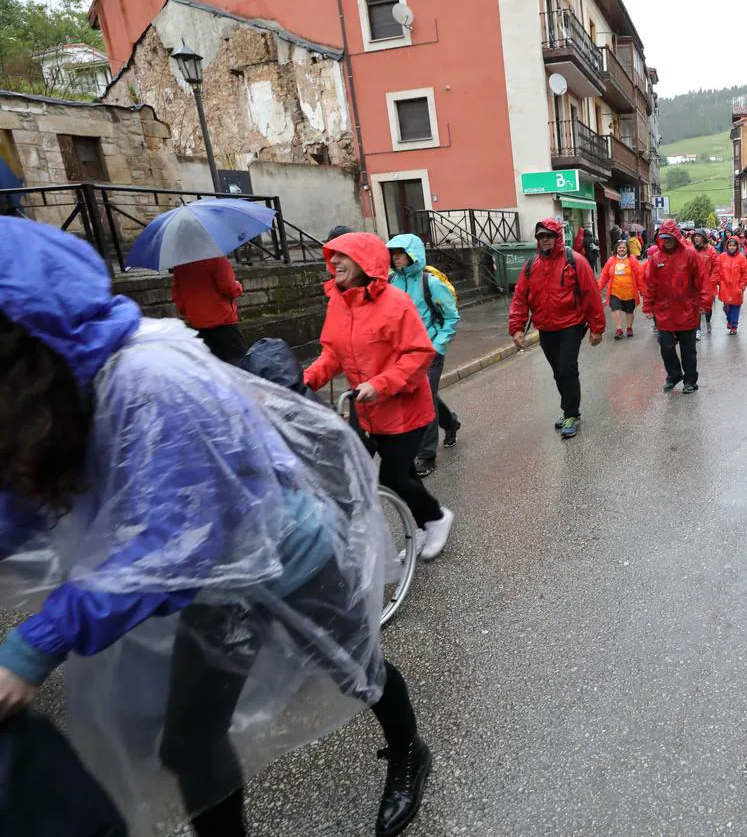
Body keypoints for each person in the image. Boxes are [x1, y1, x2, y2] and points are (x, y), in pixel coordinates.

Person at [0, 219, 430, 837]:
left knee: (356, 668)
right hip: (215, 581)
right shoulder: (63, 387)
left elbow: (167, 541)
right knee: (190, 740)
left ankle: (410, 752)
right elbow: (22, 501)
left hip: (286, 555)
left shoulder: (152, 380)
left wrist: (35, 643)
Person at [305, 232, 456, 561]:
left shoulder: (396, 303)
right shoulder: (338, 302)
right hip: (365, 409)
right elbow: (332, 354)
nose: (335, 262)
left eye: (344, 255)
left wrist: (381, 384)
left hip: (404, 410)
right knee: (386, 473)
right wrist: (304, 380)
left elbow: (419, 354)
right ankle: (418, 524)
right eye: (333, 256)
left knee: (392, 475)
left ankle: (437, 518)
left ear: (365, 262)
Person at [508, 218, 606, 438]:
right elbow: (520, 298)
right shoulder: (531, 266)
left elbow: (591, 294)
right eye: (541, 237)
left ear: (557, 237)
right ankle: (567, 408)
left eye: (549, 236)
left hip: (571, 325)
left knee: (566, 368)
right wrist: (517, 327)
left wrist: (597, 327)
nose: (545, 241)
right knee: (557, 372)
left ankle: (572, 413)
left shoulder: (575, 261)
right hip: (546, 328)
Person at [387, 233, 462, 478]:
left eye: (400, 253)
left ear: (413, 254)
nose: (395, 257)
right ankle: (451, 423)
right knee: (427, 396)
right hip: (402, 355)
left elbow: (451, 317)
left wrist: (437, 346)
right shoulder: (390, 281)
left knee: (424, 401)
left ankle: (427, 455)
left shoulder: (430, 282)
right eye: (393, 253)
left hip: (429, 352)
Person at [643, 219, 707, 393]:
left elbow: (701, 279)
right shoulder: (656, 258)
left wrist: (704, 302)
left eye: (670, 237)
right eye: (664, 238)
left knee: (688, 350)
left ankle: (690, 381)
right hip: (664, 311)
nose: (667, 241)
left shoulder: (690, 254)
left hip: (687, 309)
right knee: (666, 347)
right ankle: (674, 374)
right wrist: (648, 306)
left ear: (677, 237)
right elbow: (650, 284)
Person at [171, 256, 246, 364]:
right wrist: (238, 286)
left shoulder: (180, 264)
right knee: (238, 364)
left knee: (212, 366)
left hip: (197, 323)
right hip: (223, 321)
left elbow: (178, 296)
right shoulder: (217, 258)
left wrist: (190, 312)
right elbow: (229, 288)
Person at [599, 238, 644, 339]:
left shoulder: (632, 260)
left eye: (623, 248)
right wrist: (598, 289)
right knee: (615, 308)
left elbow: (639, 276)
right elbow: (604, 276)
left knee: (629, 311)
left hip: (629, 292)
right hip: (615, 291)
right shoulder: (611, 260)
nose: (621, 249)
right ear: (616, 249)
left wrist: (642, 290)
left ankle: (629, 327)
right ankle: (619, 329)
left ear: (627, 249)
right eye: (619, 248)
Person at [715, 235, 747, 335]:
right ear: (727, 246)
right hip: (725, 288)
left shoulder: (741, 258)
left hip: (737, 289)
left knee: (735, 308)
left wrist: (742, 287)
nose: (731, 247)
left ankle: (734, 326)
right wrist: (718, 282)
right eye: (730, 245)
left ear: (737, 246)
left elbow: (746, 274)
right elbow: (716, 270)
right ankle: (730, 321)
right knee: (726, 308)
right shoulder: (722, 257)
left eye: (734, 245)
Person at [689, 230, 719, 337]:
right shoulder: (691, 250)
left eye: (699, 236)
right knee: (696, 308)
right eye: (695, 236)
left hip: (708, 284)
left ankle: (708, 321)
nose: (696, 238)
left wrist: (711, 281)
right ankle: (697, 330)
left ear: (703, 238)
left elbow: (716, 267)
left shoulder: (711, 250)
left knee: (707, 307)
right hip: (695, 285)